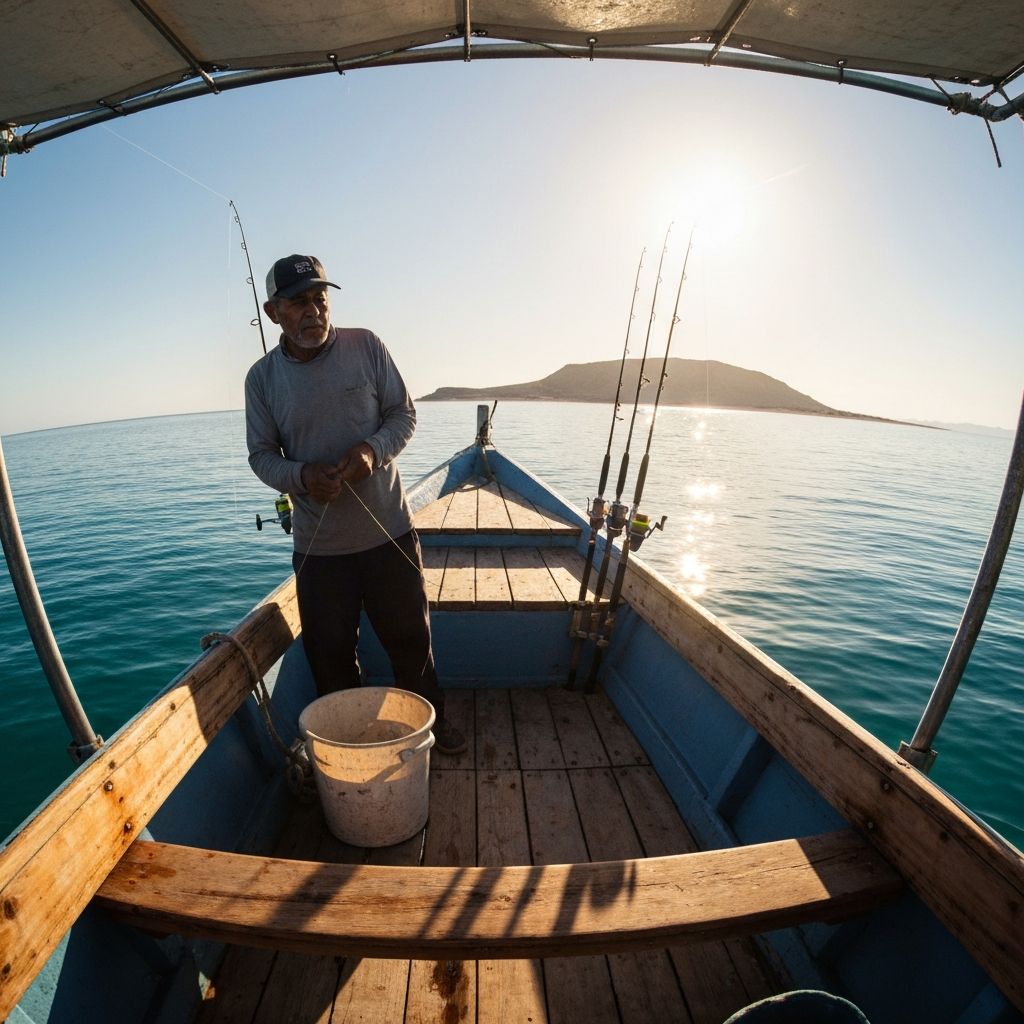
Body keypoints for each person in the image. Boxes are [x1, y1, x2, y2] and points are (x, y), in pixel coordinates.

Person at [244, 254, 466, 755]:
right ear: (273, 310)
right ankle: (348, 748)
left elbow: (403, 416)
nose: (313, 311)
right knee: (331, 658)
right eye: (298, 302)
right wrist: (300, 477)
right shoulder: (260, 380)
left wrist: (372, 451)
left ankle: (432, 727)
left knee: (411, 643)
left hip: (389, 534)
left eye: (320, 299)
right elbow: (260, 457)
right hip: (319, 551)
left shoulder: (367, 345)